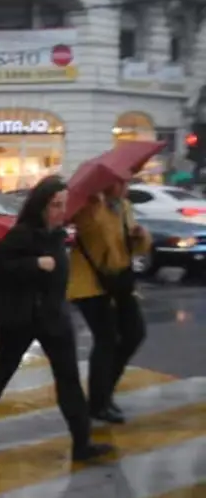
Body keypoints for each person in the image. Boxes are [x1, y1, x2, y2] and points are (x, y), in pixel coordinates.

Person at [0, 176, 113, 462]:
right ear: (40, 206)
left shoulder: (57, 235)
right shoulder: (22, 233)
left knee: (68, 377)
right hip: (21, 316)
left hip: (53, 316)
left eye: (64, 205)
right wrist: (34, 264)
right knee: (4, 366)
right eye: (55, 205)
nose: (60, 211)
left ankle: (82, 443)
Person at [68, 179, 150, 424]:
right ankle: (98, 403)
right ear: (107, 184)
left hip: (119, 282)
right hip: (89, 284)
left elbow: (127, 249)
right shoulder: (89, 208)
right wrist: (98, 208)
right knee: (107, 339)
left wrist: (140, 237)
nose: (126, 186)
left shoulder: (123, 207)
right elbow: (96, 236)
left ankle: (105, 392)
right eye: (120, 182)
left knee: (134, 333)